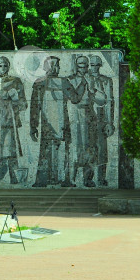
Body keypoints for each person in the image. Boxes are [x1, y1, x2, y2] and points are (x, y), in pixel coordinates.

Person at [29, 56, 85, 187]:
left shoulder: (62, 82)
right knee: (52, 151)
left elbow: (75, 99)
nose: (57, 68)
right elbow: (35, 106)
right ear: (48, 67)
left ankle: (58, 179)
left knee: (57, 151)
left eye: (57, 65)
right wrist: (33, 126)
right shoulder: (41, 83)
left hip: (58, 124)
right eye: (55, 65)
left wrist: (82, 85)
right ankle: (47, 180)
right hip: (50, 123)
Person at [0, 56, 28, 184]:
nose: (2, 69)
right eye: (0, 66)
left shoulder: (15, 81)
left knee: (11, 149)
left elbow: (24, 104)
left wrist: (15, 98)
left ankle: (13, 175)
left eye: (5, 66)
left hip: (8, 119)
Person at [85, 55, 115, 186]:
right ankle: (88, 177)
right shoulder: (84, 79)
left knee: (102, 150)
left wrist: (110, 122)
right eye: (92, 65)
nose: (94, 68)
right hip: (86, 118)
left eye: (96, 65)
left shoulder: (106, 80)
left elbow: (109, 101)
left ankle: (101, 177)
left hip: (101, 117)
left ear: (100, 65)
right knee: (89, 149)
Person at [67, 55, 91, 186]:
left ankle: (86, 179)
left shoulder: (91, 79)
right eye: (81, 65)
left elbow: (101, 99)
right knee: (75, 146)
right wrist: (83, 82)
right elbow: (74, 98)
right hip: (74, 114)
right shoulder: (70, 79)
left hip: (88, 115)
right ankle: (72, 178)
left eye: (86, 65)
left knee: (87, 147)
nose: (84, 68)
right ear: (76, 66)